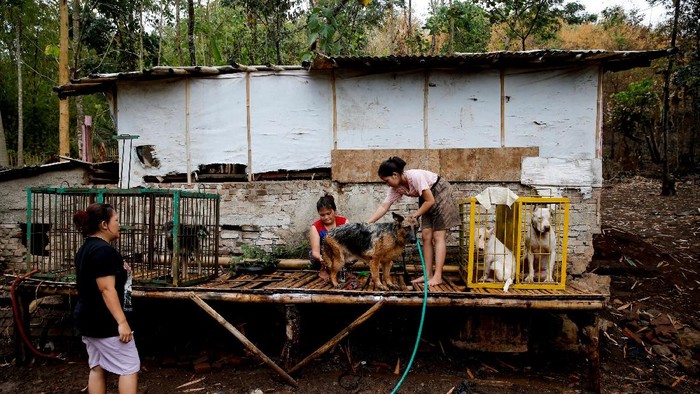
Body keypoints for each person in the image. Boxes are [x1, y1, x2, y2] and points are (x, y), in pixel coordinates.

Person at [73, 203, 139, 394]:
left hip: (87, 318)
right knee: (129, 367)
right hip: (104, 322)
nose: (119, 224)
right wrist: (122, 322)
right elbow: (106, 289)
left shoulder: (86, 248)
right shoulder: (103, 251)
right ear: (104, 224)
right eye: (116, 220)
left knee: (97, 366)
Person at [367, 156, 460, 287]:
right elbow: (384, 206)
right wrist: (368, 223)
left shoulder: (414, 177)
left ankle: (438, 276)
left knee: (438, 235)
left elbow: (431, 201)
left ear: (395, 175)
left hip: (440, 191)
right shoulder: (396, 188)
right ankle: (428, 274)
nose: (387, 184)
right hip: (426, 198)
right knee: (426, 235)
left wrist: (414, 215)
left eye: (386, 181)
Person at [309, 193, 348, 273]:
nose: (326, 217)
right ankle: (324, 271)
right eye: (322, 215)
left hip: (341, 254)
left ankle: (342, 270)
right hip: (324, 256)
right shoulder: (315, 227)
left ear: (334, 211)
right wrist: (321, 258)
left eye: (328, 213)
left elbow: (350, 244)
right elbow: (315, 252)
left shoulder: (344, 222)